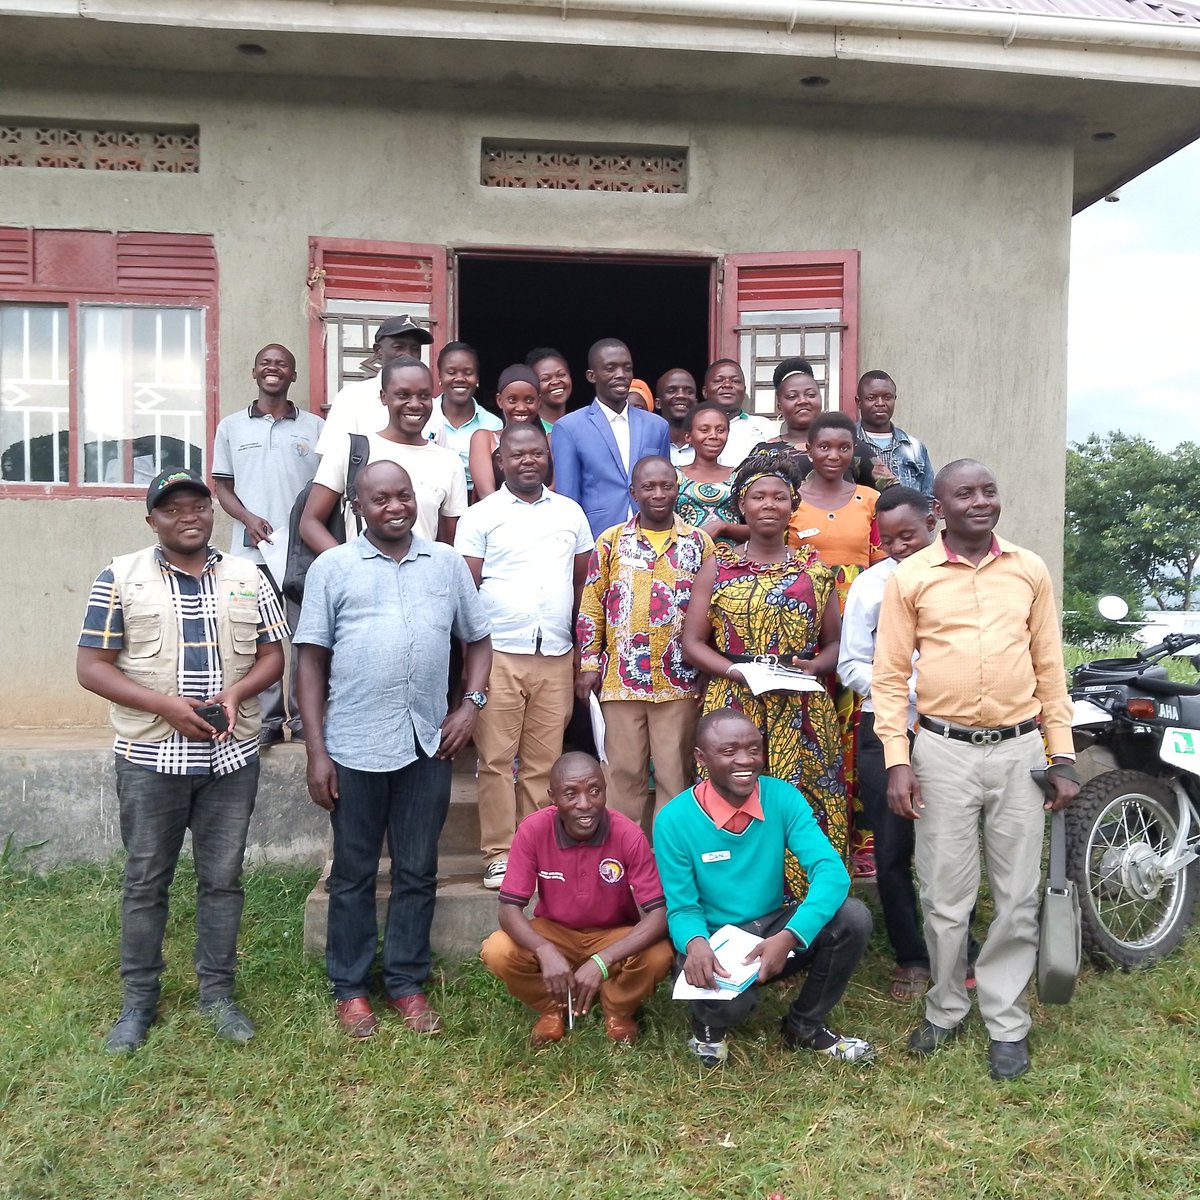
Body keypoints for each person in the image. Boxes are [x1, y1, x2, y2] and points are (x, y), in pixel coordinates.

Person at [873, 459, 1079, 1081]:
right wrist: (898, 761)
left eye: (990, 490)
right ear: (940, 507)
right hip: (942, 751)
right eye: (966, 493)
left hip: (1020, 752)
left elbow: (1049, 666)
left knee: (1016, 897)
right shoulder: (912, 576)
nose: (981, 501)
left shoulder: (1029, 570)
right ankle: (944, 1005)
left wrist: (1061, 754)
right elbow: (887, 679)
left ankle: (1006, 1019)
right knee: (944, 894)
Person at [76, 468, 287, 1053]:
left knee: (222, 881)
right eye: (173, 509)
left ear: (211, 512)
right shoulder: (120, 576)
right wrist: (164, 706)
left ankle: (217, 996)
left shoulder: (247, 576)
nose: (188, 516)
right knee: (146, 882)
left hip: (231, 757)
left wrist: (238, 695)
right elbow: (91, 666)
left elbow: (273, 656)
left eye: (198, 505)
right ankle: (138, 1005)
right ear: (152, 521)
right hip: (149, 757)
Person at [295, 460, 492, 1039]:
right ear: (359, 507)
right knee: (353, 872)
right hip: (353, 743)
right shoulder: (333, 568)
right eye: (380, 499)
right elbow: (310, 660)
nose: (395, 507)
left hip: (426, 742)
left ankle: (406, 982)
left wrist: (470, 705)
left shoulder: (447, 563)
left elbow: (477, 640)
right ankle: (351, 989)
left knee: (417, 868)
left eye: (403, 495)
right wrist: (316, 751)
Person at [653, 709, 875, 1068]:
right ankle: (707, 1026)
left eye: (754, 749)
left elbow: (831, 873)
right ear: (701, 758)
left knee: (853, 917)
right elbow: (681, 907)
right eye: (728, 751)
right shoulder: (673, 820)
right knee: (734, 1005)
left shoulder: (782, 798)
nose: (745, 760)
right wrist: (695, 945)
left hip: (771, 931)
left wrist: (789, 936)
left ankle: (805, 1024)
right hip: (714, 939)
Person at [680, 446, 848, 894]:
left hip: (801, 710)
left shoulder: (814, 569)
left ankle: (807, 910)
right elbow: (693, 642)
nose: (768, 505)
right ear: (741, 505)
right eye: (758, 497)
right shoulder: (718, 565)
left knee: (805, 804)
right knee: (733, 800)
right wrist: (733, 672)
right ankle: (736, 906)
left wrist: (815, 665)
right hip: (734, 705)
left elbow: (835, 642)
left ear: (793, 505)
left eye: (779, 496)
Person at [456, 423, 593, 890]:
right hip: (499, 652)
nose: (527, 461)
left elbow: (581, 585)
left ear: (548, 457)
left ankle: (533, 849)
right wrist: (469, 662)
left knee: (543, 760)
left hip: (555, 651)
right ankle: (499, 852)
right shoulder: (481, 515)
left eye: (536, 453)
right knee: (495, 759)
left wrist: (581, 649)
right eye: (517, 455)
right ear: (500, 461)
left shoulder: (571, 513)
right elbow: (466, 590)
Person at [480, 752, 675, 1045]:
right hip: (555, 931)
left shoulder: (628, 834)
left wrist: (603, 959)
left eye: (594, 791)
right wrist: (544, 949)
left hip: (612, 933)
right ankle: (553, 1008)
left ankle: (618, 1009)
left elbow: (659, 914)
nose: (585, 804)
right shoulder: (532, 830)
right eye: (570, 794)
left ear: (605, 790)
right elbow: (509, 910)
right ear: (553, 797)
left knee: (659, 953)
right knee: (498, 950)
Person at [838, 486, 939, 997]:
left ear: (933, 524)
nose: (899, 546)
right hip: (887, 727)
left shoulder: (958, 581)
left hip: (953, 730)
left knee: (950, 845)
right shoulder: (870, 587)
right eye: (889, 539)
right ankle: (912, 956)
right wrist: (911, 688)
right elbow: (851, 663)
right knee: (893, 848)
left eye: (910, 535)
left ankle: (957, 948)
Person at [576, 456, 714, 827]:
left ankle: (669, 867)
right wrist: (588, 663)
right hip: (620, 680)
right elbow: (592, 603)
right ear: (633, 491)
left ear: (678, 489)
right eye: (648, 487)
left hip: (679, 681)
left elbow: (711, 611)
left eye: (666, 486)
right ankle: (624, 865)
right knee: (623, 776)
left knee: (674, 776)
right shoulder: (611, 540)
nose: (658, 494)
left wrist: (706, 668)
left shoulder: (699, 543)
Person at [787, 409, 887, 878]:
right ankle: (814, 836)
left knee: (858, 735)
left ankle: (861, 839)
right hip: (808, 634)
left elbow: (883, 565)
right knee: (811, 733)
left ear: (854, 451)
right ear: (808, 450)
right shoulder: (790, 501)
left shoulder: (870, 500)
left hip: (862, 634)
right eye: (823, 447)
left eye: (842, 447)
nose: (833, 455)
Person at [211, 342, 323, 748]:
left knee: (306, 636)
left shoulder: (315, 428)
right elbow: (222, 487)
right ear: (254, 372)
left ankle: (305, 717)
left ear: (293, 376)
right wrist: (246, 518)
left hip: (301, 555)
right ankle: (270, 720)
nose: (273, 368)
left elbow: (325, 489)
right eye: (265, 363)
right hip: (251, 554)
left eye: (282, 364)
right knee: (262, 637)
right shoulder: (231, 427)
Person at [300, 357, 467, 553]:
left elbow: (449, 541)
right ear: (384, 397)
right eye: (403, 395)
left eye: (424, 396)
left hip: (421, 581)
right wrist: (349, 568)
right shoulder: (351, 449)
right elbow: (310, 523)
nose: (415, 404)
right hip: (360, 580)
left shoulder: (448, 462)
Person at [552, 338, 673, 537]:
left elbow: (666, 487)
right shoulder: (568, 428)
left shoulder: (657, 426)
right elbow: (568, 498)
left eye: (627, 368)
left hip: (652, 536)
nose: (621, 375)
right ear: (592, 376)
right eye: (610, 368)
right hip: (596, 536)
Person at [762, 358, 892, 488]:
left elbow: (892, 490)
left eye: (811, 395)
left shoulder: (848, 446)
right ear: (779, 406)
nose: (803, 401)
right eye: (792, 396)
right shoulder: (764, 452)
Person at [316, 315, 434, 454]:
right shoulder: (351, 398)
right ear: (378, 350)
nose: (408, 354)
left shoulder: (429, 406)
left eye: (415, 349)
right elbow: (331, 459)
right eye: (399, 347)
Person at [425, 341, 501, 493]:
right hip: (433, 499)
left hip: (478, 500)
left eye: (468, 372)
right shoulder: (424, 416)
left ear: (477, 379)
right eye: (451, 372)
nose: (460, 378)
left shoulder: (492, 424)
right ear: (440, 376)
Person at [674, 402, 746, 550]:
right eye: (704, 430)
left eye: (720, 430)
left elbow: (759, 529)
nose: (714, 436)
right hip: (685, 561)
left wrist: (724, 527)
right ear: (688, 436)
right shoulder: (674, 476)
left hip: (732, 565)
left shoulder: (740, 476)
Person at [467, 365, 546, 500]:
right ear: (499, 400)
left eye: (529, 400)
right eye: (512, 400)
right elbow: (487, 494)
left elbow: (555, 491)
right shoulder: (485, 439)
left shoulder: (549, 440)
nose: (521, 408)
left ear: (538, 402)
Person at [855, 370, 935, 496]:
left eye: (887, 397)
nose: (880, 403)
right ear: (858, 402)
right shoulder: (847, 445)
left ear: (894, 399)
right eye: (872, 398)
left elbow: (928, 500)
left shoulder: (914, 448)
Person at [700, 359, 775, 468]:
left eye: (735, 381)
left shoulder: (763, 425)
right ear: (705, 392)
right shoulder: (693, 428)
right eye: (718, 380)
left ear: (744, 391)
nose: (727, 385)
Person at [655, 367, 699, 466]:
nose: (681, 395)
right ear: (658, 403)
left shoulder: (707, 444)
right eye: (671, 391)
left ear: (696, 403)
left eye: (689, 391)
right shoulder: (649, 444)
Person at [526, 347, 573, 430]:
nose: (555, 382)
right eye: (545, 379)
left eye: (561, 375)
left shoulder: (580, 424)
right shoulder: (530, 431)